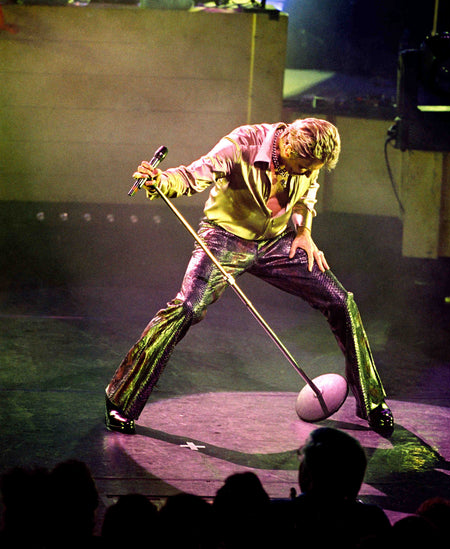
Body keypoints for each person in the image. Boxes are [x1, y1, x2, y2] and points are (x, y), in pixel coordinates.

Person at [104, 118, 393, 436]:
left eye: (314, 169)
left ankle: (373, 403)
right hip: (225, 239)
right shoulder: (242, 144)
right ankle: (121, 401)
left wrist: (305, 232)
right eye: (303, 166)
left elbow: (306, 194)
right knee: (186, 307)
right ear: (287, 146)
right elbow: (194, 174)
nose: (308, 173)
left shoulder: (307, 167)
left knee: (340, 301)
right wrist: (162, 180)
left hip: (276, 242)